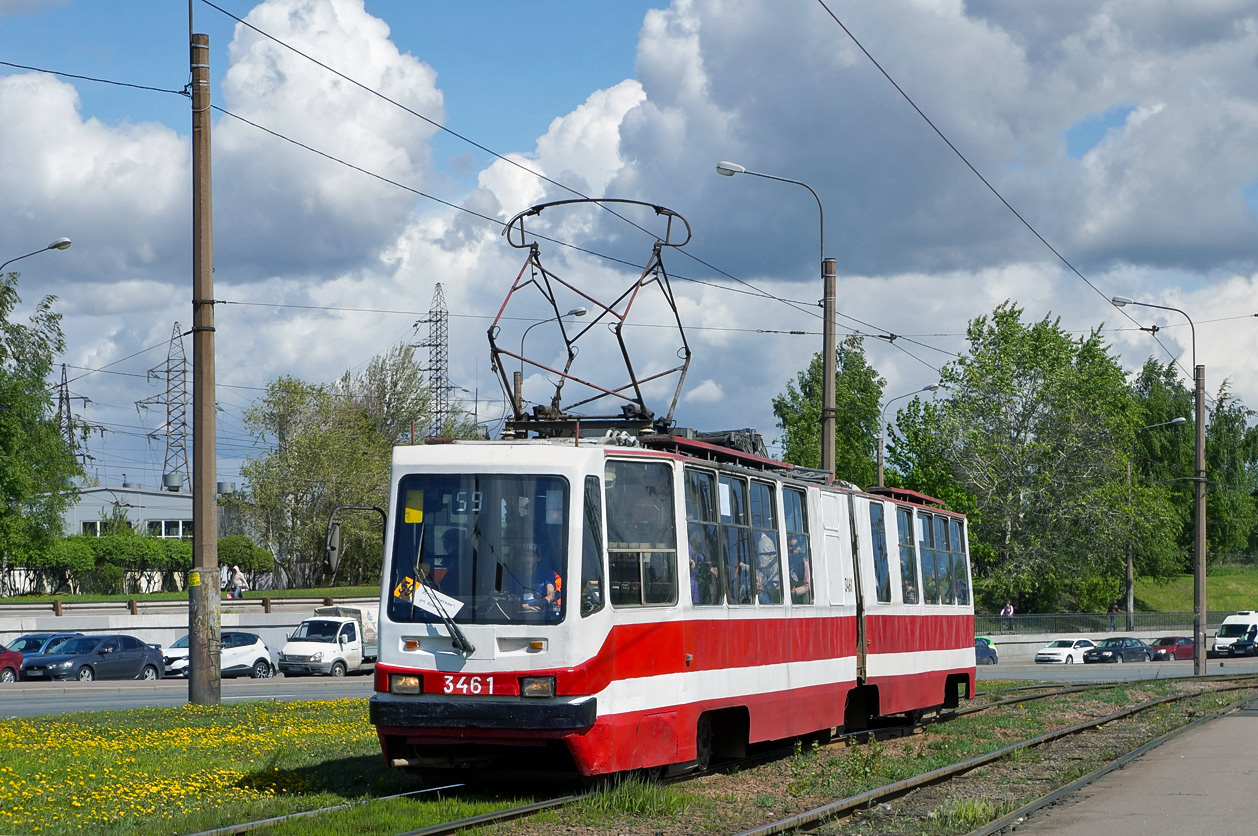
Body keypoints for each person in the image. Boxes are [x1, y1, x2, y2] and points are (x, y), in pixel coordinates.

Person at [519, 543, 562, 612]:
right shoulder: (516, 577)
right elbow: (510, 597)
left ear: (539, 558)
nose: (527, 559)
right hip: (518, 615)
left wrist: (534, 604)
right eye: (525, 555)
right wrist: (522, 606)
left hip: (542, 614)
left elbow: (551, 595)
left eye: (531, 555)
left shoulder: (547, 574)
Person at [787, 535, 811, 604]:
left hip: (801, 599)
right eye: (791, 546)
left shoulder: (804, 563)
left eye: (796, 546)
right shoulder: (785, 561)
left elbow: (807, 586)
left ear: (799, 547)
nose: (794, 548)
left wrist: (795, 591)